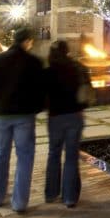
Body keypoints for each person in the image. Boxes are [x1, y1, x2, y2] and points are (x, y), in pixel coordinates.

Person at [0, 27, 45, 213]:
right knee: (25, 157)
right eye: (31, 41)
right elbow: (41, 89)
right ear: (26, 41)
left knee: (0, 155)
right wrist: (36, 108)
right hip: (25, 116)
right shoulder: (33, 62)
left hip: (2, 115)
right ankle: (19, 202)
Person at [44, 40, 91, 208]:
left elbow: (42, 95)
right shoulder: (78, 68)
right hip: (75, 116)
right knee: (71, 156)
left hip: (55, 117)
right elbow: (88, 92)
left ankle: (51, 194)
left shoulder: (48, 71)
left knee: (53, 154)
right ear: (67, 51)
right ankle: (70, 198)